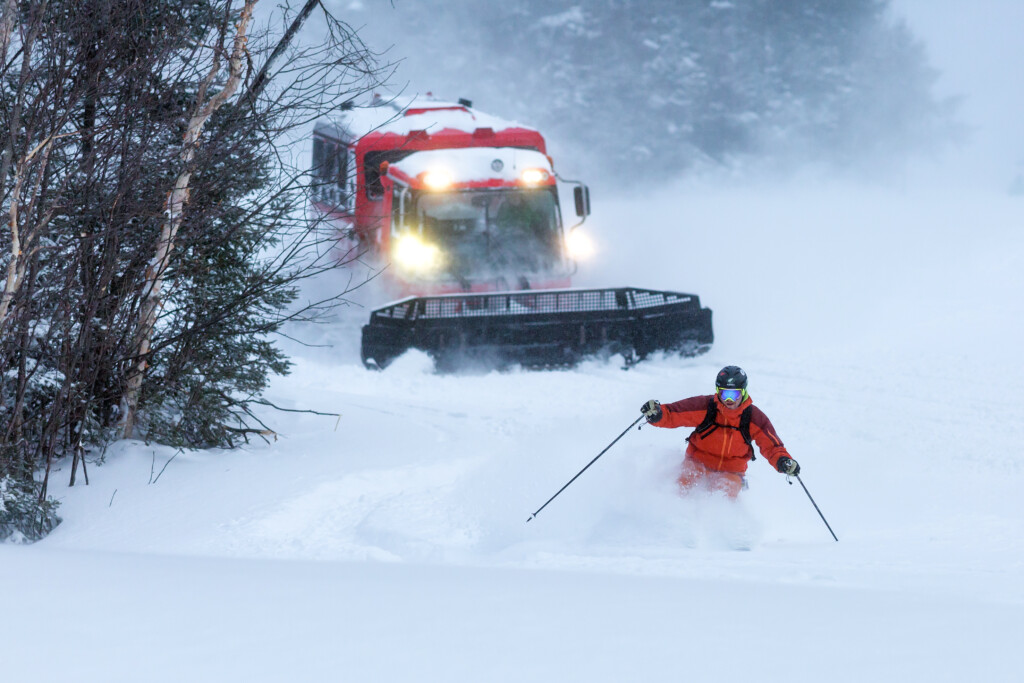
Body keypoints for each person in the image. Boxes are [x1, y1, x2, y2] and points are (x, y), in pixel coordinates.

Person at [641, 365, 800, 498]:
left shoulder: (753, 418)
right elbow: (674, 414)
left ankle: (719, 524)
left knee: (722, 495)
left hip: (732, 472)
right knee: (682, 488)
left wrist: (783, 461)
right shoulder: (706, 406)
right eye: (725, 394)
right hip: (697, 464)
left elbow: (772, 447)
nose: (729, 400)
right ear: (718, 391)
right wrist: (658, 414)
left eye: (734, 394)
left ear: (743, 392)